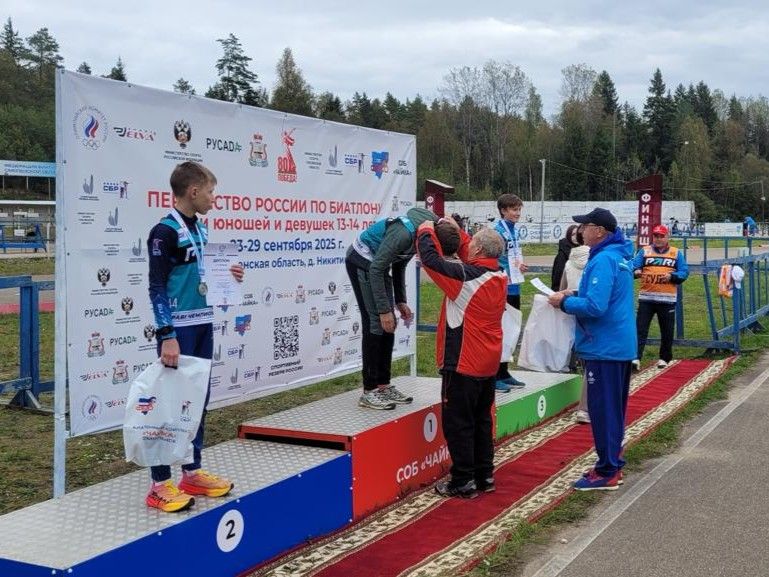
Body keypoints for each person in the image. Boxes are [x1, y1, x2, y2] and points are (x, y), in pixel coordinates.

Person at [146, 161, 245, 512]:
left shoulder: (200, 229)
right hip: (179, 329)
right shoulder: (164, 232)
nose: (213, 198)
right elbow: (156, 287)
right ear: (193, 191)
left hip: (203, 323)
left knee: (197, 400)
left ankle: (191, 471)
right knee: (168, 404)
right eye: (210, 192)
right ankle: (159, 484)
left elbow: (202, 275)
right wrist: (167, 334)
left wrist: (230, 276)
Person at [416, 218, 507, 498]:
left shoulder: (466, 278)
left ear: (478, 250)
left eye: (473, 242)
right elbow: (473, 249)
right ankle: (485, 475)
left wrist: (426, 229)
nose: (468, 245)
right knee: (482, 421)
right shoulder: (499, 273)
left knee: (459, 424)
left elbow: (431, 261)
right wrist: (456, 230)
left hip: (463, 362)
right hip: (488, 362)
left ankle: (462, 480)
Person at [547, 208, 636, 491]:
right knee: (613, 409)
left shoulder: (604, 259)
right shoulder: (616, 256)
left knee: (603, 411)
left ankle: (607, 470)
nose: (580, 231)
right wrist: (573, 294)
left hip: (604, 346)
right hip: (616, 344)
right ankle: (612, 463)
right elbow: (604, 295)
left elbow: (596, 306)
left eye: (585, 226)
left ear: (599, 231)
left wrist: (564, 303)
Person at [346, 207, 438, 410]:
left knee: (390, 324)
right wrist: (383, 310)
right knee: (376, 323)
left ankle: (383, 385)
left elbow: (399, 264)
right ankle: (369, 391)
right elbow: (376, 268)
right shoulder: (404, 234)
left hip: (377, 266)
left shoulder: (422, 235)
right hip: (362, 261)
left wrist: (400, 301)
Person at [631, 224, 689, 369]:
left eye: (661, 236)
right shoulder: (645, 251)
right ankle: (635, 358)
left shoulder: (676, 253)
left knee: (667, 330)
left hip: (667, 299)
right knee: (640, 329)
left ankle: (664, 358)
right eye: (656, 236)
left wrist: (672, 276)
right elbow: (633, 265)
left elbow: (684, 272)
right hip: (646, 298)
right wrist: (636, 271)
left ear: (667, 237)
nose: (658, 239)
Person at [493, 193, 527, 391]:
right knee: (500, 330)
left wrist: (519, 266)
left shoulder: (514, 230)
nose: (518, 213)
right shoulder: (497, 232)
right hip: (502, 287)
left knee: (512, 330)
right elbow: (494, 260)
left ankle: (504, 371)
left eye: (519, 209)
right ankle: (494, 374)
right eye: (514, 210)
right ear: (503, 210)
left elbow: (511, 257)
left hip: (515, 285)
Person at [557, 227, 590, 424]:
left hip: (569, 305)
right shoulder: (596, 261)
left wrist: (563, 297)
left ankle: (568, 366)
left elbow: (561, 287)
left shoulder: (569, 261)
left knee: (570, 339)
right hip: (587, 308)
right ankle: (585, 407)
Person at [551, 224, 582, 291]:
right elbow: (557, 277)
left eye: (578, 234)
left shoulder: (583, 251)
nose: (576, 237)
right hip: (564, 290)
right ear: (568, 235)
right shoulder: (562, 254)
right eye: (573, 234)